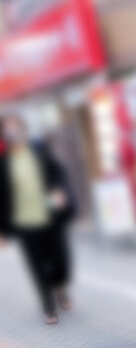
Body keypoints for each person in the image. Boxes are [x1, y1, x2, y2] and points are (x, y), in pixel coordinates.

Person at [0, 114, 76, 324]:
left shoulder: (39, 151)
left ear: (23, 129)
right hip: (24, 222)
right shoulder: (3, 162)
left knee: (59, 260)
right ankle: (48, 306)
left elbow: (57, 172)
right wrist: (3, 231)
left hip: (50, 217)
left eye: (15, 126)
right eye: (7, 128)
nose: (12, 131)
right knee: (37, 265)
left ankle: (59, 286)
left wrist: (59, 191)